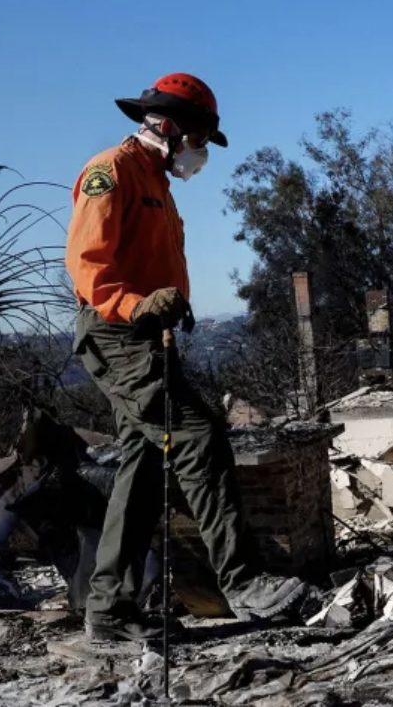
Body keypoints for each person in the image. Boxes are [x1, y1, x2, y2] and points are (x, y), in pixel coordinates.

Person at [65, 73, 307, 642]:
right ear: (170, 128)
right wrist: (138, 304)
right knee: (197, 434)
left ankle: (110, 611)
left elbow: (159, 261)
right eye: (198, 138)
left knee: (144, 467)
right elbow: (88, 264)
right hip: (115, 330)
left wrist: (171, 305)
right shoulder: (112, 171)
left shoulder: (158, 183)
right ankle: (244, 582)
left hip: (148, 334)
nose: (200, 152)